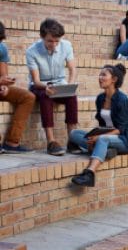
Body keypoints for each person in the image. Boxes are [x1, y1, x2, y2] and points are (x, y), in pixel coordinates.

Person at [70, 63, 128, 187]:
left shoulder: (122, 99)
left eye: (104, 75)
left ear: (114, 80)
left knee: (103, 140)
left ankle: (89, 174)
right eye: (100, 74)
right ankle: (104, 149)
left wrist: (98, 138)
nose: (100, 77)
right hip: (106, 136)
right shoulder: (100, 98)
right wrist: (92, 139)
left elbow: (120, 130)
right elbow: (101, 125)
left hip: (124, 139)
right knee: (74, 133)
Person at [26, 18, 78, 156]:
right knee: (46, 96)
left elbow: (72, 69)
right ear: (42, 37)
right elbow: (36, 80)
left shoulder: (66, 45)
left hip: (60, 83)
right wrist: (46, 87)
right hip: (40, 85)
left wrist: (70, 84)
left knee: (72, 97)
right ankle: (51, 142)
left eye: (57, 41)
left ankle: (72, 140)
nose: (54, 45)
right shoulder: (31, 51)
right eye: (50, 41)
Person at [0, 22, 36, 154]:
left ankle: (12, 142)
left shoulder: (2, 48)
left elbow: (3, 74)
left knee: (28, 97)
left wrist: (4, 84)